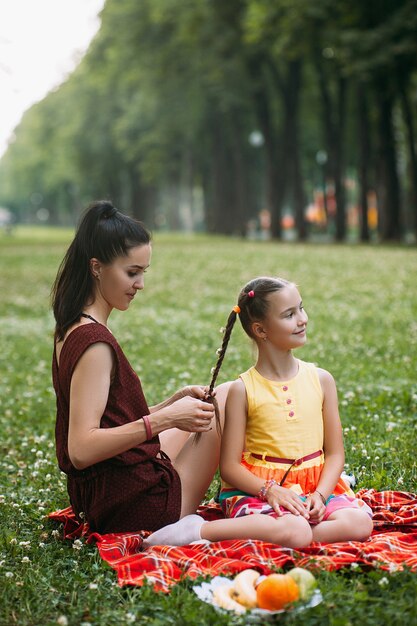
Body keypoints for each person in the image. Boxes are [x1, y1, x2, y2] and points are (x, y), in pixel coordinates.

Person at [146, 276, 373, 547]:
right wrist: (271, 491)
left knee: (360, 522)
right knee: (295, 529)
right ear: (261, 330)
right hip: (259, 492)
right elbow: (229, 468)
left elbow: (335, 454)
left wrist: (321, 496)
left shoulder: (322, 380)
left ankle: (289, 533)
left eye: (301, 308)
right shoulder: (243, 390)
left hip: (314, 490)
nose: (302, 319)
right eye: (289, 314)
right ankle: (198, 530)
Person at [51, 200, 229, 538]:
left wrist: (170, 404)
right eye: (132, 272)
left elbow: (108, 420)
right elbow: (82, 448)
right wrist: (167, 419)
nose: (140, 284)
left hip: (103, 494)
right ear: (96, 267)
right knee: (230, 402)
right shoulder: (95, 345)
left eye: (142, 273)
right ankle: (248, 502)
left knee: (219, 395)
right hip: (131, 507)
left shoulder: (71, 327)